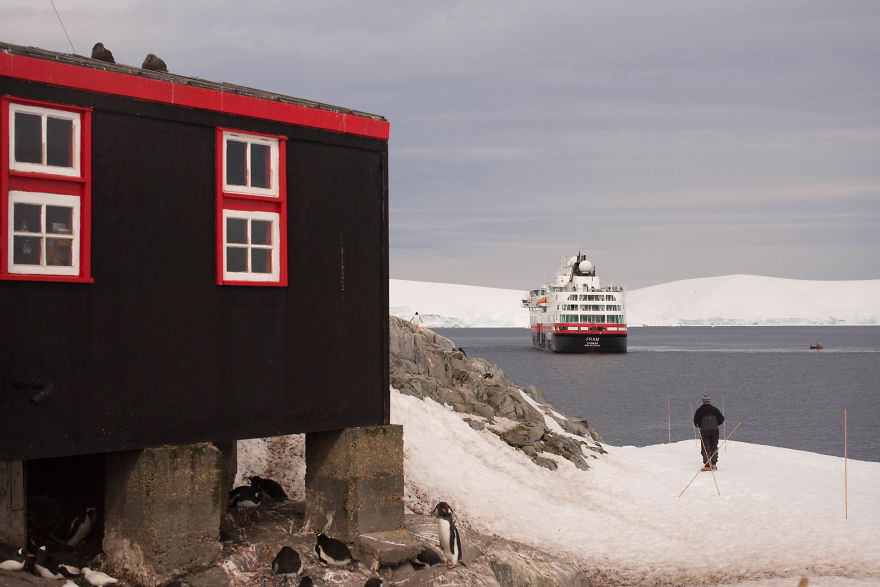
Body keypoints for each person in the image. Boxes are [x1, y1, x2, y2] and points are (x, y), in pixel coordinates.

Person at [693, 394, 725, 470]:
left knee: (705, 447)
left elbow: (696, 422)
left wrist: (699, 426)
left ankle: (707, 465)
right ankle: (714, 464)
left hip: (704, 430)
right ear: (709, 401)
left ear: (703, 401)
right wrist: (716, 424)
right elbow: (721, 419)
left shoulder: (699, 410)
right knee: (714, 446)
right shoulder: (715, 409)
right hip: (715, 430)